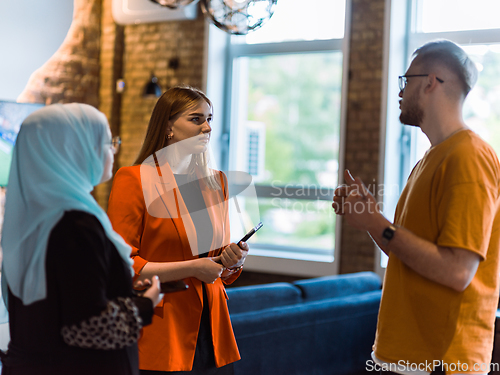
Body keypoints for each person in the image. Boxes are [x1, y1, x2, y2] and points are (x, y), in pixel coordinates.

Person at [333, 40, 500, 375]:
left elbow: (456, 271)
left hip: (442, 360)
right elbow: (406, 252)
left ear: (430, 82)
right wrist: (369, 220)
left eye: (405, 81)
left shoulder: (468, 156)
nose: (400, 91)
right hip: (407, 355)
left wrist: (379, 223)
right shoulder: (430, 158)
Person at [0, 103, 163, 375]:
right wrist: (146, 303)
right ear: (73, 150)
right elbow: (86, 325)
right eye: (106, 141)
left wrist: (121, 290)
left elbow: (58, 300)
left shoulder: (33, 217)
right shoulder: (76, 224)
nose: (113, 150)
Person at [107, 86, 249, 374]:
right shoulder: (133, 180)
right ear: (168, 126)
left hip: (214, 329)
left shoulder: (216, 182)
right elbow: (121, 266)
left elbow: (216, 260)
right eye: (196, 119)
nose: (207, 127)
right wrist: (194, 267)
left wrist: (234, 260)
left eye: (210, 119)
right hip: (162, 328)